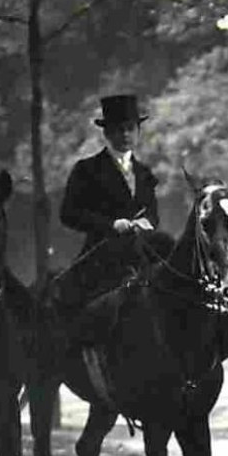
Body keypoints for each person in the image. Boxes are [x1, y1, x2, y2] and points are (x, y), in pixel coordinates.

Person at [52, 93, 167, 318]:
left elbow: (153, 214)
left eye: (130, 129)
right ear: (107, 133)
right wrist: (112, 224)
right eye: (118, 129)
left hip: (143, 252)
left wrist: (146, 222)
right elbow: (68, 213)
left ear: (138, 132)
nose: (125, 134)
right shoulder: (87, 169)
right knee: (75, 311)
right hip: (101, 253)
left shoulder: (144, 173)